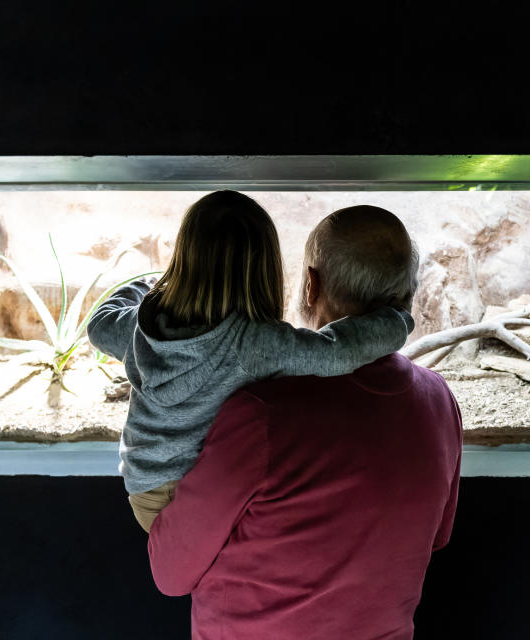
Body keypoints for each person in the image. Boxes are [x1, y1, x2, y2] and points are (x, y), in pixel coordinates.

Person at [148, 205, 463, 640]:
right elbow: (435, 538)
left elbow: (170, 572)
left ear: (311, 285)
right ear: (409, 294)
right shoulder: (440, 402)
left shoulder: (260, 414)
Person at [86, 191, 414, 532]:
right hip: (199, 496)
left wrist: (148, 284)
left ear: (183, 259)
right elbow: (335, 352)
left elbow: (99, 324)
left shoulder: (140, 328)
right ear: (263, 270)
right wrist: (397, 319)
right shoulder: (250, 342)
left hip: (144, 492)